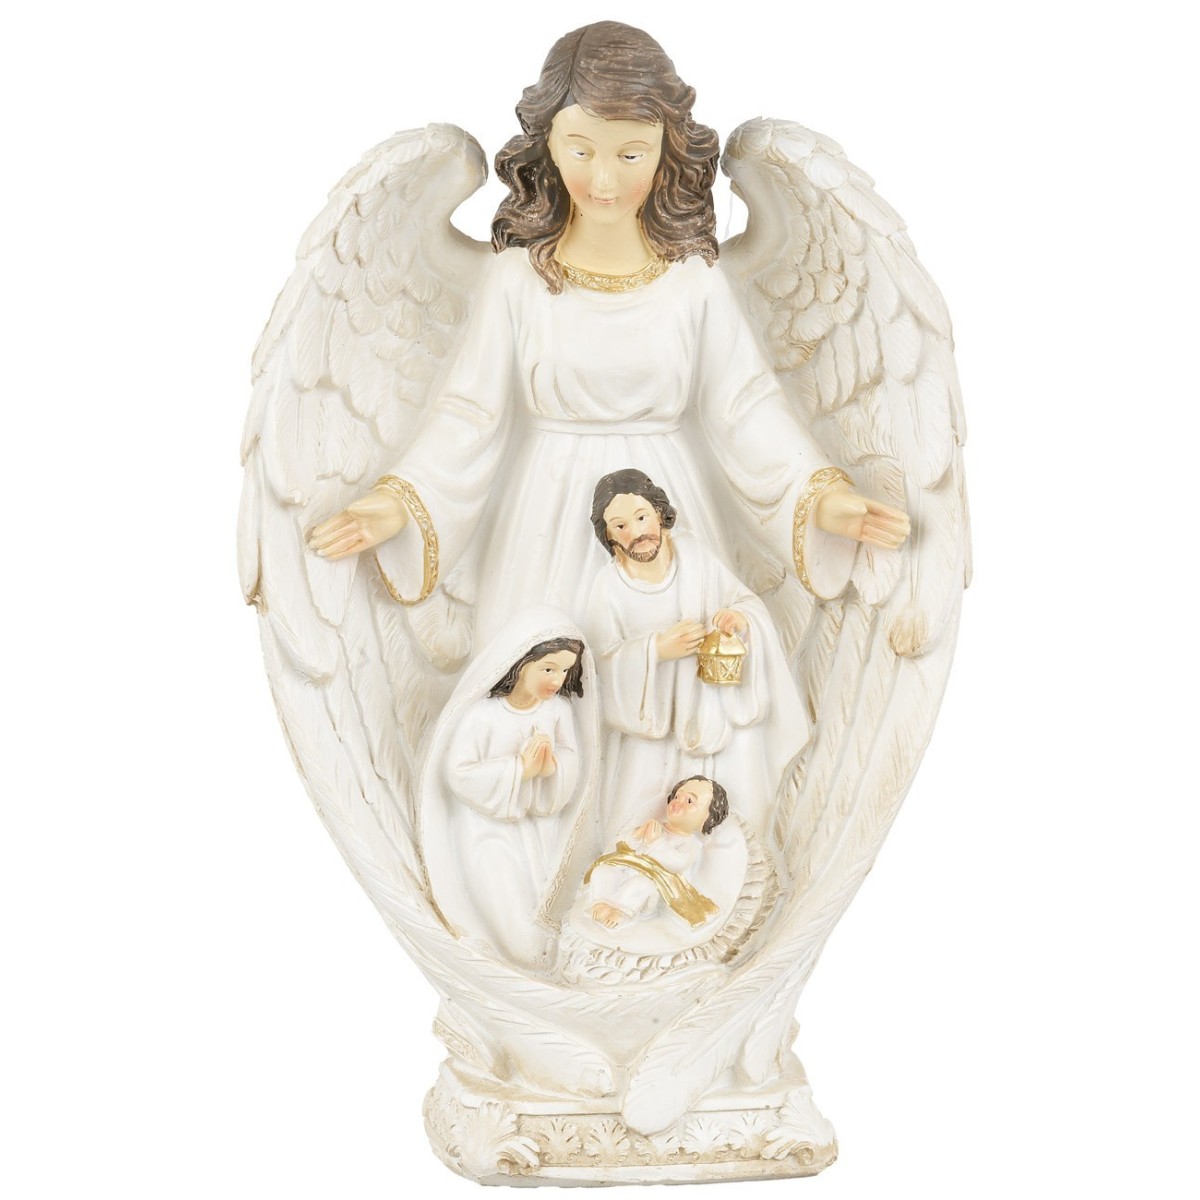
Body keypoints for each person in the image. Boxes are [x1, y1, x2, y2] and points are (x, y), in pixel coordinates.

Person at [306, 21, 909, 652]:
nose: (603, 181)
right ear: (547, 145)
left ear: (667, 150)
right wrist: (401, 503)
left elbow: (745, 409)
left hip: (666, 509)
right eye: (581, 151)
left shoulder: (693, 281)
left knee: (673, 668)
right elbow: (469, 413)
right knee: (548, 672)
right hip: (547, 514)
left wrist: (818, 498)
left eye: (630, 154)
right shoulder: (517, 279)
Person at [585, 469, 806, 838]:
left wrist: (738, 618)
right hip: (654, 733)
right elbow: (599, 666)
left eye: (642, 517)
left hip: (714, 710)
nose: (636, 532)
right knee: (638, 826)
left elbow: (744, 602)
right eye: (620, 526)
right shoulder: (608, 587)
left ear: (659, 513)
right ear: (607, 535)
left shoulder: (693, 556)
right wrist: (656, 650)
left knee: (737, 818)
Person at [419, 609, 600, 969]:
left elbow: (571, 759)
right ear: (520, 663)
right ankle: (524, 956)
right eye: (548, 669)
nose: (557, 680)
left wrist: (551, 769)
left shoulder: (558, 711)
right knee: (508, 908)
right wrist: (519, 770)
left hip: (541, 827)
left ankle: (546, 956)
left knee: (542, 899)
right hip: (487, 830)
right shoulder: (482, 716)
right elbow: (459, 773)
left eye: (565, 671)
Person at [587, 776, 729, 930]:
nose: (677, 802)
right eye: (677, 796)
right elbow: (624, 844)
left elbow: (679, 863)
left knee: (639, 884)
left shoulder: (690, 843)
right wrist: (636, 835)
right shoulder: (655, 826)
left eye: (689, 801)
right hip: (625, 871)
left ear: (705, 820)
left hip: (650, 889)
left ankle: (621, 912)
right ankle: (601, 903)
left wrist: (657, 842)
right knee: (602, 871)